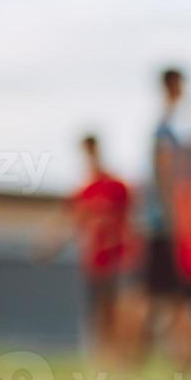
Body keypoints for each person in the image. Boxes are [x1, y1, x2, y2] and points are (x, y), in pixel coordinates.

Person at [39, 135, 136, 364]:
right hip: (93, 259)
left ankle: (118, 354)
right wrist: (50, 246)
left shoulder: (117, 186)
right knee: (96, 310)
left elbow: (131, 221)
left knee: (117, 307)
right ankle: (102, 355)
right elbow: (71, 221)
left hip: (117, 257)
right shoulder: (84, 190)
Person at [136, 67, 191, 363]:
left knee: (170, 294)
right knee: (158, 294)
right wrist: (175, 217)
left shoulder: (168, 125)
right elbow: (165, 174)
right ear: (173, 85)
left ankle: (179, 353)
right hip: (163, 223)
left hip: (163, 221)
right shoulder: (164, 128)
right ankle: (138, 353)